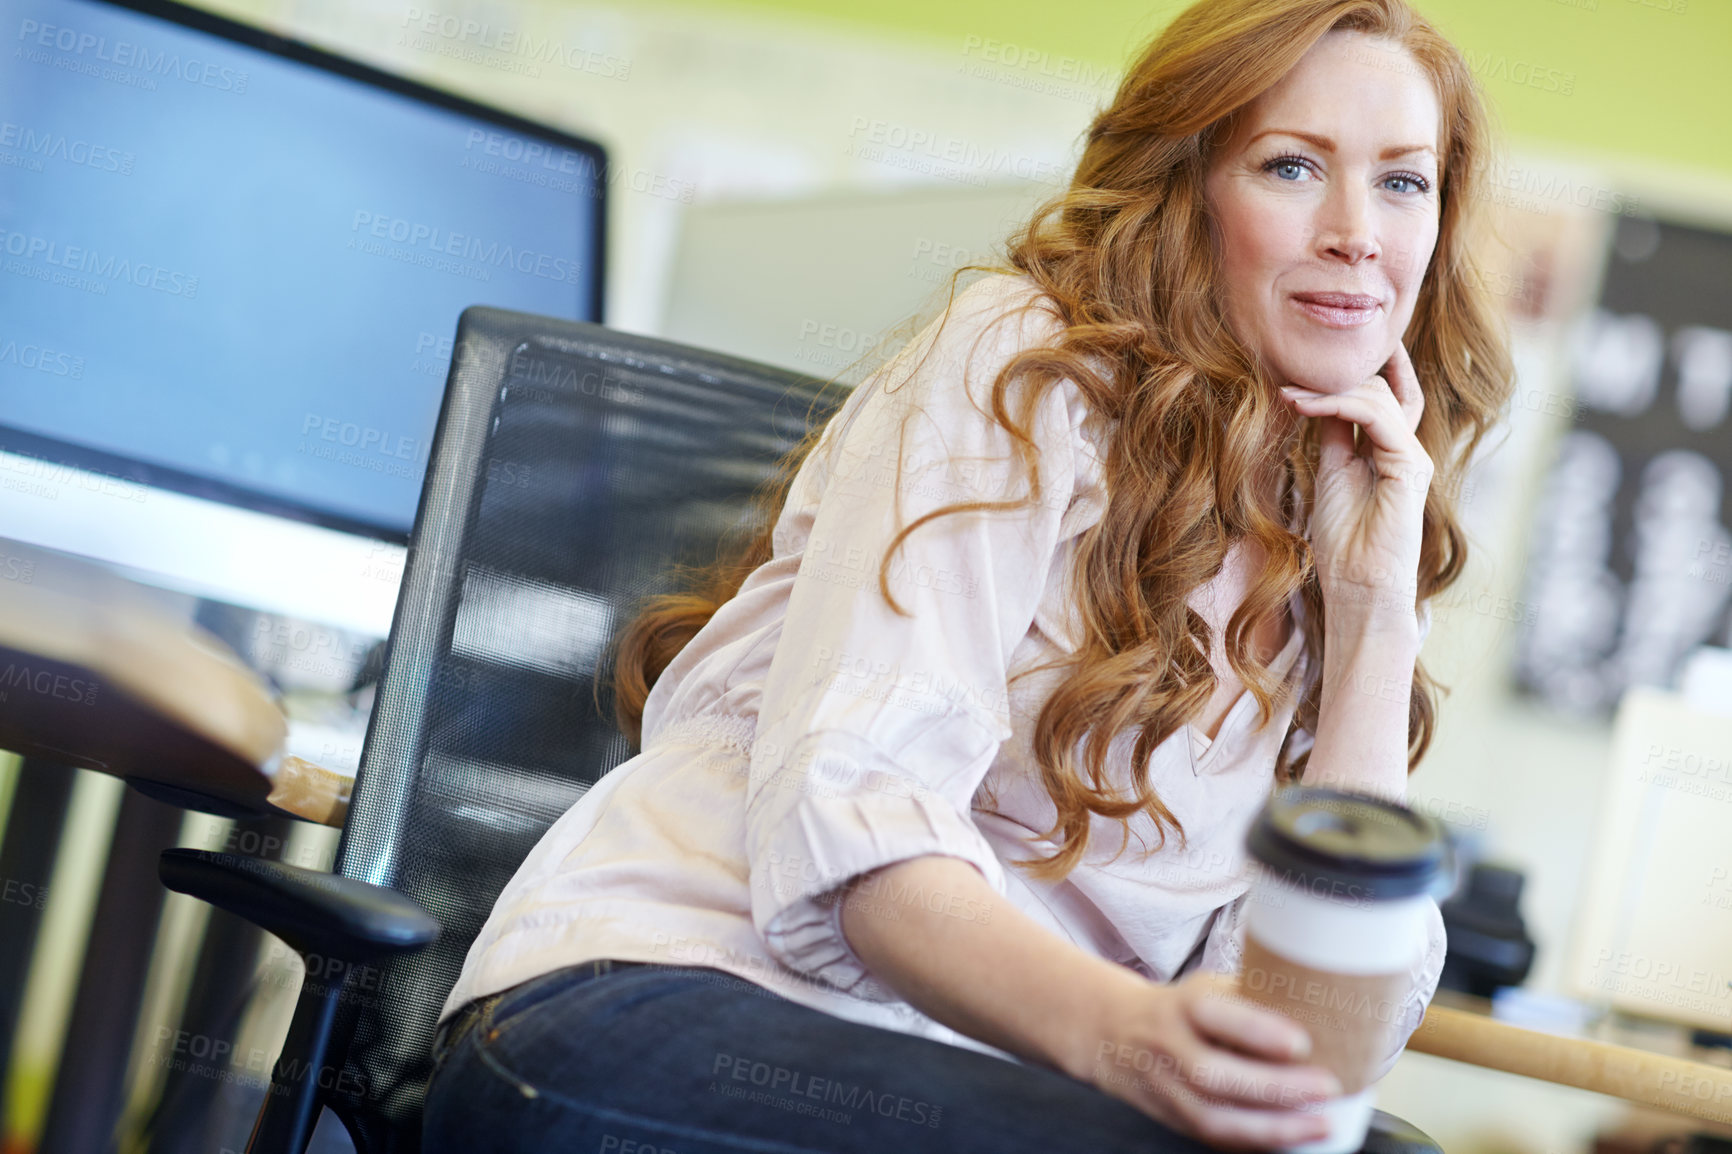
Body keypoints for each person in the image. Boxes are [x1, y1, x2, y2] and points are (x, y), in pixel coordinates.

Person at [422, 0, 1513, 1149]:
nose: (1358, 232)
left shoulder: (1333, 526)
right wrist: (1131, 1037)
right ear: (1185, 188)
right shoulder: (1024, 363)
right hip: (686, 994)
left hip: (992, 1089)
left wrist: (1372, 605)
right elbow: (860, 833)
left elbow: (1304, 1044)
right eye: (1291, 166)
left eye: (1403, 182)